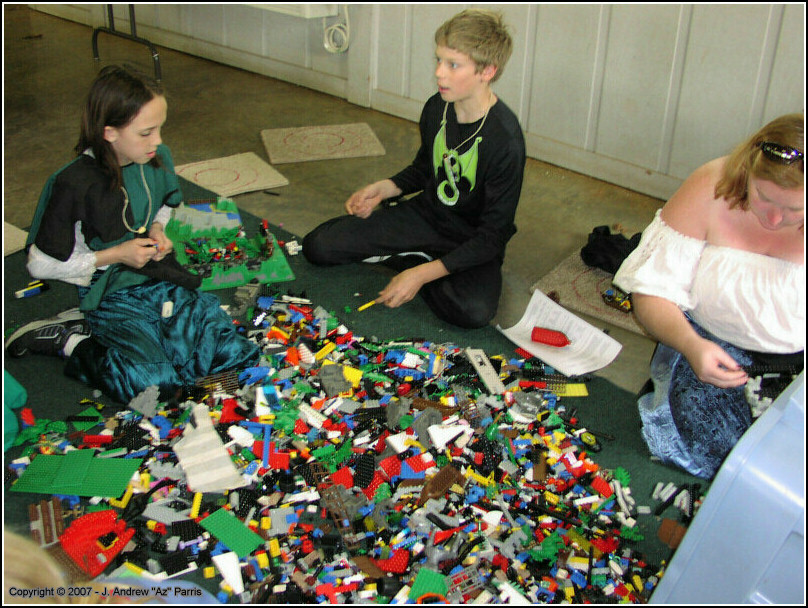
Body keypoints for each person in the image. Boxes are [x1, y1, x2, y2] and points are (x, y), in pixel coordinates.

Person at [5, 65, 260, 403]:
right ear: (109, 133)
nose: (158, 141)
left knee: (237, 358)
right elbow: (40, 265)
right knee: (157, 389)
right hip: (110, 290)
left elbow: (166, 204)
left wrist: (157, 229)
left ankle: (144, 345)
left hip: (159, 276)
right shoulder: (74, 184)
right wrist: (116, 255)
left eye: (160, 129)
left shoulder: (156, 157)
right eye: (146, 133)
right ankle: (72, 342)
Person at [302, 9, 526, 329]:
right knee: (318, 246)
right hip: (425, 217)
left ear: (487, 71)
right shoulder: (437, 107)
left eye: (453, 65)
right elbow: (425, 169)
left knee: (473, 312)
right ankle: (419, 259)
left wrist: (421, 276)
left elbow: (493, 236)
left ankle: (422, 265)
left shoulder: (505, 139)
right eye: (439, 60)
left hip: (471, 240)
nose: (439, 73)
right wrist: (385, 188)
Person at [614, 113, 805, 479]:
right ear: (747, 171)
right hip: (710, 348)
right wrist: (691, 345)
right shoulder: (711, 184)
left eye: (794, 209)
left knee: (785, 467)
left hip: (797, 366)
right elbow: (650, 293)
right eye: (764, 197)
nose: (774, 219)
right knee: (722, 451)